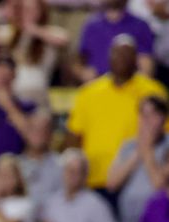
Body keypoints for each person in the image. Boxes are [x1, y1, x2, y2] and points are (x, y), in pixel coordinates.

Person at [67, 35, 167, 191]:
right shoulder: (88, 93)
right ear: (108, 57)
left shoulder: (153, 91)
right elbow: (75, 136)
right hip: (94, 179)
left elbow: (165, 135)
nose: (121, 59)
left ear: (136, 59)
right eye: (116, 53)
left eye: (127, 55)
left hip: (138, 178)